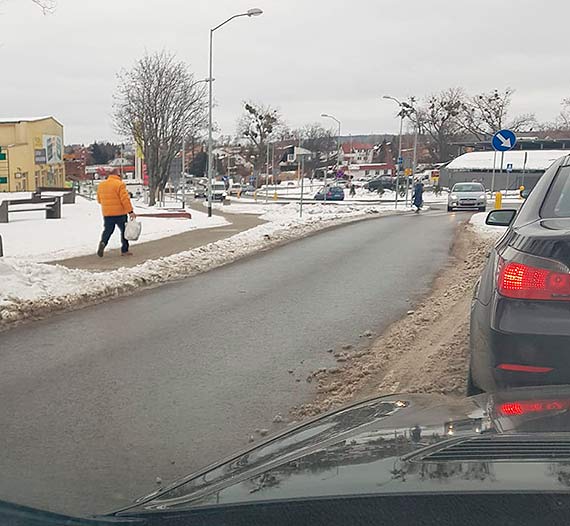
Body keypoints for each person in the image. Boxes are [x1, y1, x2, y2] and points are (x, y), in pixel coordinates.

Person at [96, 170, 136, 257]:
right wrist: (130, 211)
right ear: (117, 175)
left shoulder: (101, 185)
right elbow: (125, 199)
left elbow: (99, 200)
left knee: (108, 230)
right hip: (120, 213)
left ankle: (103, 242)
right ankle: (124, 250)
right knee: (124, 231)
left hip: (107, 213)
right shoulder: (120, 184)